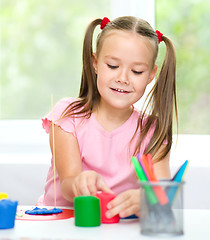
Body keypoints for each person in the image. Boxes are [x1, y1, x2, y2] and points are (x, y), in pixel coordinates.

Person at [37, 16, 178, 219]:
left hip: (117, 229)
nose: (123, 78)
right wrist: (79, 181)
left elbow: (163, 193)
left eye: (137, 71)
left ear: (150, 75)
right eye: (112, 66)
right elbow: (68, 182)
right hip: (62, 224)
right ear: (95, 63)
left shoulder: (153, 130)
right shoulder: (68, 115)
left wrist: (148, 199)